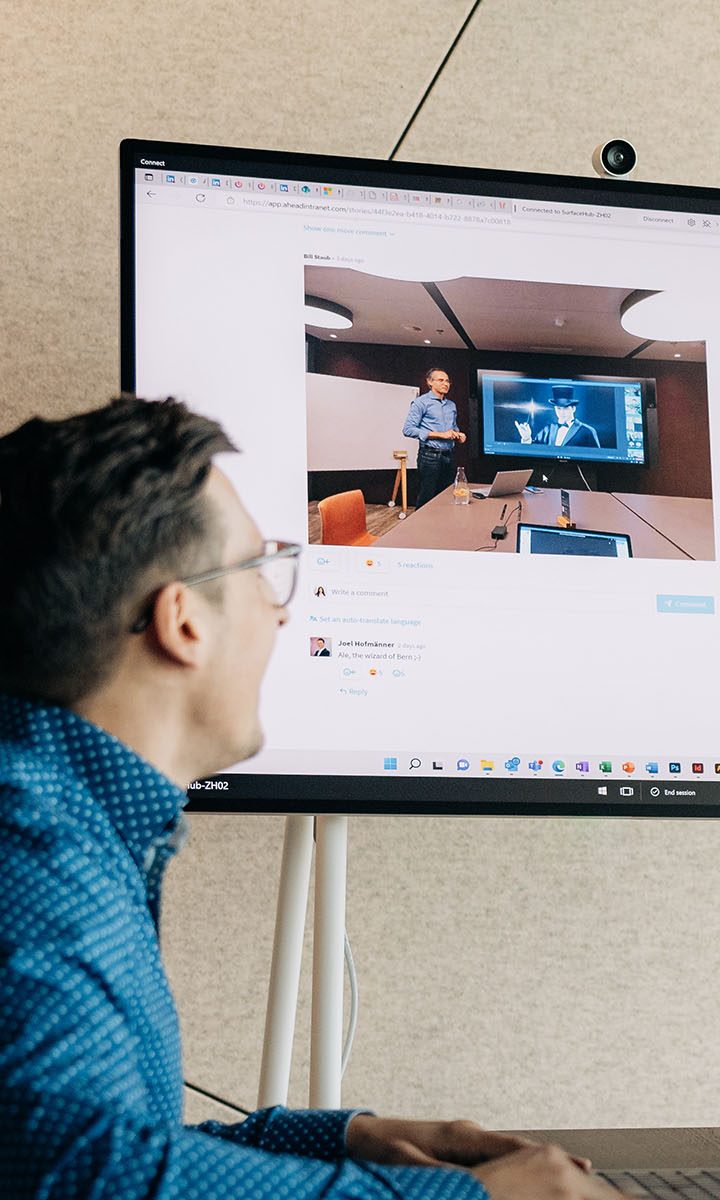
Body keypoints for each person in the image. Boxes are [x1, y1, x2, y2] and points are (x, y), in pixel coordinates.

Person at [0, 396, 624, 1199]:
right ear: (183, 622)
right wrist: (476, 1196)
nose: (281, 613)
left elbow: (84, 1144)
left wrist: (342, 1137)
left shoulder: (69, 823)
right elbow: (92, 1176)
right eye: (261, 572)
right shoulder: (31, 861)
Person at [402, 368, 465, 502]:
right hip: (429, 456)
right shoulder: (421, 402)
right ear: (429, 382)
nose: (445, 384)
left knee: (447, 497)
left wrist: (459, 434)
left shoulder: (451, 405)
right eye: (441, 380)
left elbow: (453, 427)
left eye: (447, 381)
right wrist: (440, 435)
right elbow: (408, 429)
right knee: (427, 498)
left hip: (449, 456)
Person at [514, 386, 604, 452]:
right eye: (558, 408)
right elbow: (534, 452)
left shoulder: (588, 431)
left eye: (565, 408)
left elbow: (597, 458)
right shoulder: (548, 429)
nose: (562, 412)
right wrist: (526, 438)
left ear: (573, 409)